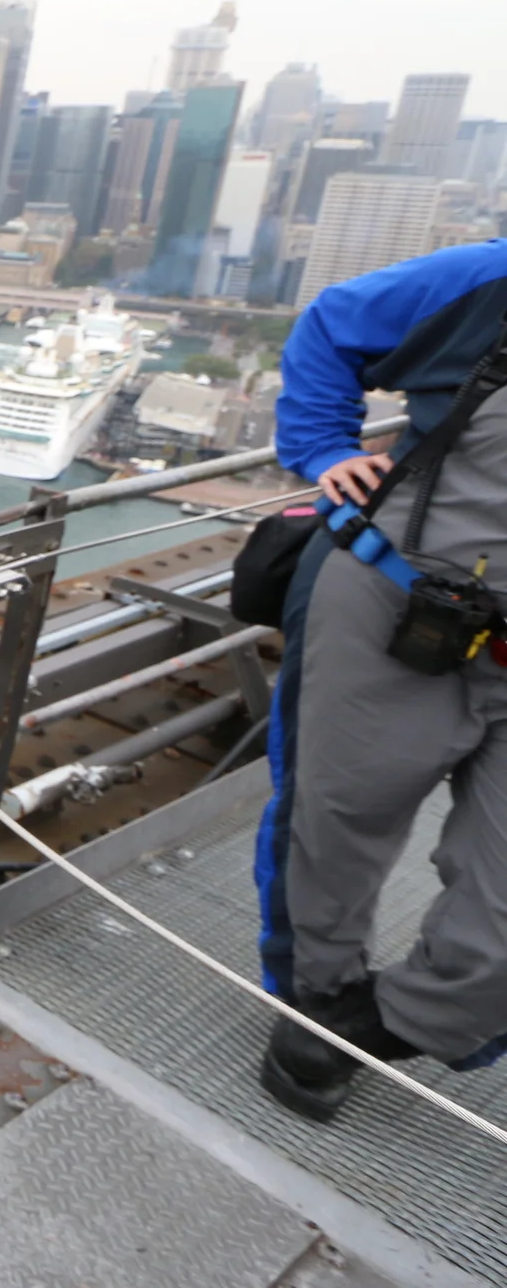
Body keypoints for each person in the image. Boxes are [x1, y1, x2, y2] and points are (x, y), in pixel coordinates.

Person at [257, 236, 507, 1120]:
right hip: (400, 606)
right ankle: (316, 1008)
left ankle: (387, 1023)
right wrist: (325, 449)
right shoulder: (489, 280)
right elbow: (330, 325)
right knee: (337, 825)